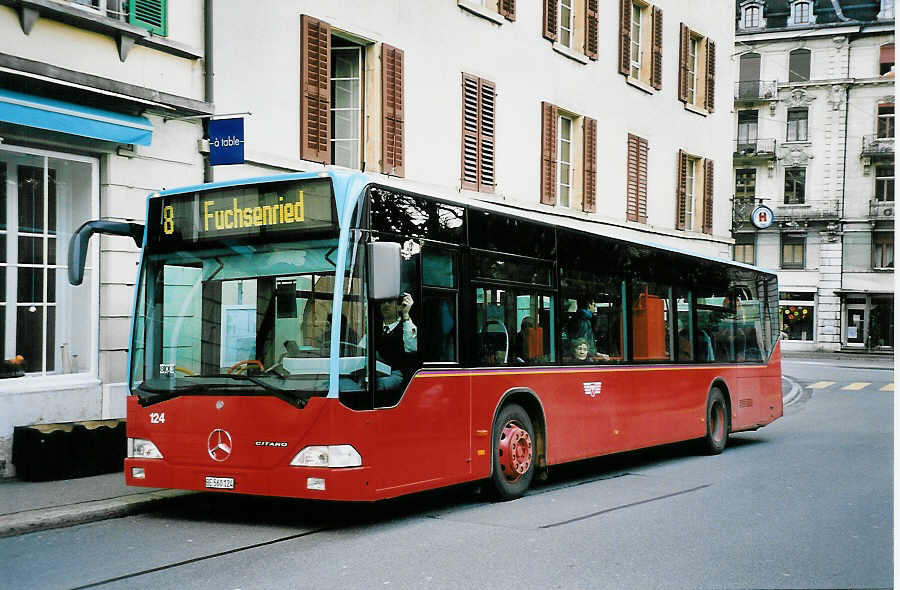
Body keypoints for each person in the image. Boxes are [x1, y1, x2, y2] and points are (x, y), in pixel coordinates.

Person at [374, 292, 418, 395]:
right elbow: (363, 349)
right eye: (383, 302)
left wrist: (406, 314)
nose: (385, 305)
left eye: (390, 302)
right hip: (376, 371)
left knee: (376, 384)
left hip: (397, 374)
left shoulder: (406, 326)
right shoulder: (374, 329)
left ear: (399, 307)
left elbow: (412, 347)